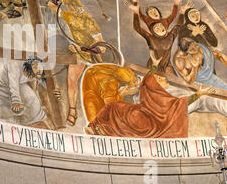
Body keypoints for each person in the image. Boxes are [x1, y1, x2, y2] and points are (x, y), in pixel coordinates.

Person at [85, 54, 215, 138]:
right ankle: (98, 128)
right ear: (156, 83)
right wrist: (199, 94)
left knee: (114, 107)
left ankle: (97, 128)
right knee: (115, 107)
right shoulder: (156, 93)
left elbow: (148, 80)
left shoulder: (155, 94)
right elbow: (148, 80)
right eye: (161, 78)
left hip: (145, 122)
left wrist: (199, 94)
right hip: (147, 121)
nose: (165, 80)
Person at [46, 0, 107, 126]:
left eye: (72, 4)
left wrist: (82, 48)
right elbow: (50, 5)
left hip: (92, 56)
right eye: (68, 5)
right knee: (71, 80)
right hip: (78, 55)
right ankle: (72, 111)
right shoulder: (68, 16)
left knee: (94, 88)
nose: (71, 7)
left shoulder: (89, 21)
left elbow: (102, 48)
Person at [127, 0, 191, 74]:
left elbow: (178, 25)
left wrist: (182, 12)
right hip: (153, 65)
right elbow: (137, 27)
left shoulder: (170, 36)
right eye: (156, 28)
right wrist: (136, 12)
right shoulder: (150, 38)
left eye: (160, 26)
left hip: (167, 66)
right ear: (153, 32)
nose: (159, 28)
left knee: (173, 82)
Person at [0, 56, 56, 128]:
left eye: (40, 69)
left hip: (19, 84)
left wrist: (53, 91)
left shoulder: (33, 72)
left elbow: (44, 82)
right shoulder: (15, 63)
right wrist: (16, 101)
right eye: (36, 67)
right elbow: (13, 83)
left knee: (31, 98)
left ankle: (37, 121)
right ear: (31, 64)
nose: (38, 70)